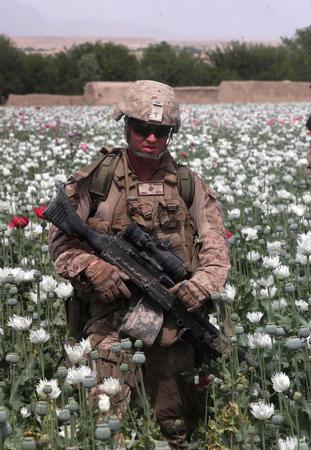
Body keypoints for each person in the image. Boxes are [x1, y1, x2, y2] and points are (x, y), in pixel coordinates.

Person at [48, 80, 230, 448]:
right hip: (110, 321)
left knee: (172, 427)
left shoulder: (187, 184)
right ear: (126, 126)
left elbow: (216, 245)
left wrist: (201, 284)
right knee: (103, 425)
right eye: (142, 129)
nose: (151, 138)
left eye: (161, 132)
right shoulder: (97, 180)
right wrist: (93, 267)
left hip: (170, 323)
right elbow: (61, 243)